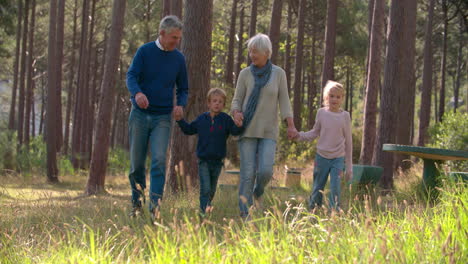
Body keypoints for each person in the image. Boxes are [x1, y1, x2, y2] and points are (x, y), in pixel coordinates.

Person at [126, 15, 188, 220]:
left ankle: (155, 208)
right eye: (173, 37)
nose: (176, 41)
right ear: (161, 34)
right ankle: (137, 204)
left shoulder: (178, 59)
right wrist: (137, 93)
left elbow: (183, 88)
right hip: (140, 115)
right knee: (136, 164)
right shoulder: (145, 52)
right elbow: (131, 75)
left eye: (178, 38)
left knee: (159, 161)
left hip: (162, 117)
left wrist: (180, 104)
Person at [231, 33, 297, 220]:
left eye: (256, 51)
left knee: (266, 171)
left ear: (267, 53)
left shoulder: (279, 74)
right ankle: (245, 213)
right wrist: (236, 113)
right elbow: (236, 101)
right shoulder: (245, 74)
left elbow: (284, 102)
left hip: (269, 131)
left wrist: (290, 125)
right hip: (247, 130)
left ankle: (258, 192)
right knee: (247, 173)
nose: (252, 55)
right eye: (250, 51)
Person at [175, 88, 242, 216]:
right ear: (208, 103)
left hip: (217, 162)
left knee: (211, 190)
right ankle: (203, 214)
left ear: (224, 105)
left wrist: (239, 125)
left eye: (220, 102)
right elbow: (189, 130)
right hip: (203, 161)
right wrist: (180, 120)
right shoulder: (201, 119)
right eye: (214, 101)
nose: (217, 104)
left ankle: (207, 207)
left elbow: (234, 131)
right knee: (205, 188)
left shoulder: (226, 119)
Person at [294, 80, 353, 211]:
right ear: (326, 97)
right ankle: (313, 211)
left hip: (338, 159)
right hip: (321, 157)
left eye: (338, 97)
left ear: (342, 98)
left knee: (335, 187)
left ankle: (334, 213)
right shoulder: (321, 113)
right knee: (317, 187)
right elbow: (314, 132)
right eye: (331, 96)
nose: (334, 99)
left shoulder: (345, 116)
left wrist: (349, 167)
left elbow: (348, 142)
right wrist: (299, 135)